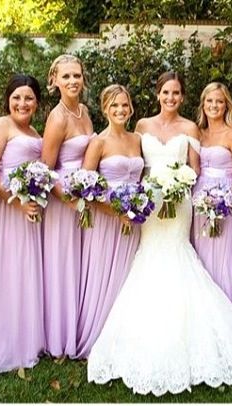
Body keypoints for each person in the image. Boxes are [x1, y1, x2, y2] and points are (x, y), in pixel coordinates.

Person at [86, 72, 232, 396]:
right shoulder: (142, 128)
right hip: (149, 205)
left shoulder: (190, 128)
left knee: (179, 258)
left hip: (178, 204)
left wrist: (179, 186)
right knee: (149, 259)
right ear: (157, 94)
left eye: (176, 93)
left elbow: (195, 170)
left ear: (182, 97)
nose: (171, 98)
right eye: (165, 92)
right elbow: (137, 166)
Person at [0, 74, 45, 372]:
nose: (22, 103)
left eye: (29, 98)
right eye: (17, 97)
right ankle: (3, 343)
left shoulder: (34, 131)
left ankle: (27, 337)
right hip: (7, 210)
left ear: (37, 103)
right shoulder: (0, 125)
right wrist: (15, 201)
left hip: (29, 207)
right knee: (7, 270)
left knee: (26, 270)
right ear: (8, 99)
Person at [75, 85, 143, 359]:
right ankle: (99, 335)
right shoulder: (98, 143)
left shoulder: (137, 139)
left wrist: (135, 208)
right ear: (104, 109)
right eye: (114, 106)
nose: (120, 110)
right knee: (104, 275)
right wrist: (117, 212)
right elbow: (85, 187)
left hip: (133, 219)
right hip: (107, 220)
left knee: (129, 275)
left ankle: (127, 335)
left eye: (124, 105)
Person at [41, 54, 93, 359]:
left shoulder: (84, 111)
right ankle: (60, 339)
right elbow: (46, 170)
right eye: (66, 77)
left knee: (80, 266)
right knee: (64, 266)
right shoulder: (58, 118)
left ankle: (79, 328)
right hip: (65, 204)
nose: (73, 81)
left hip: (85, 199)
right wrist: (72, 201)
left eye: (77, 75)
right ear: (55, 81)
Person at [190, 82, 232, 328]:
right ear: (203, 104)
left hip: (224, 202)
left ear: (226, 105)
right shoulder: (198, 134)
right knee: (200, 256)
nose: (214, 106)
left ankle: (228, 322)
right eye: (209, 101)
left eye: (219, 101)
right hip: (199, 199)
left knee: (222, 257)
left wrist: (224, 197)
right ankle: (203, 319)